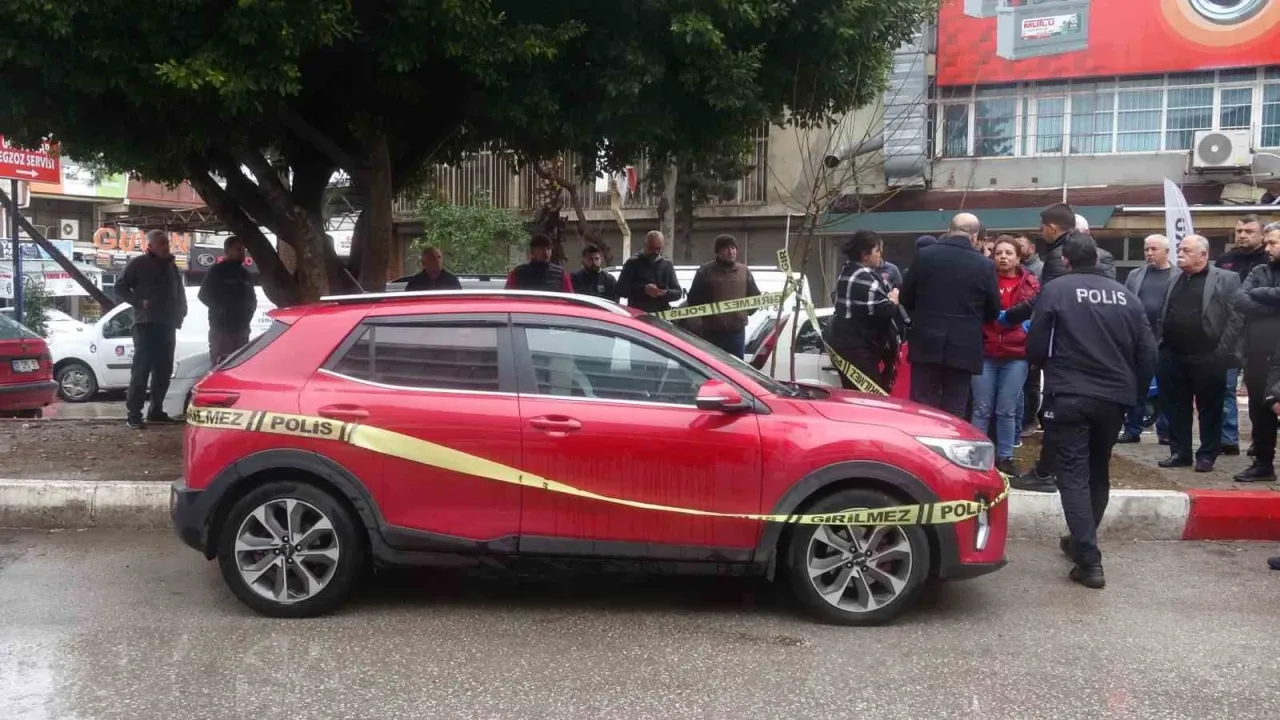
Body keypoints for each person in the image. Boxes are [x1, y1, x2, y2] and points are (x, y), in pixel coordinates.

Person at [1021, 233, 1156, 589]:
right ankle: (1082, 542)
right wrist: (1135, 394)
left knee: (1072, 475)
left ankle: (1089, 558)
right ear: (1096, 258)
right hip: (1113, 398)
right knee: (1097, 471)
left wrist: (1042, 367)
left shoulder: (1057, 290)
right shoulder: (1126, 296)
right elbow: (1148, 353)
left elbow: (1036, 344)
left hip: (1069, 394)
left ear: (1065, 260)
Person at [1002, 202, 1089, 492]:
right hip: (1082, 341)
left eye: (1042, 227)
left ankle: (1046, 473)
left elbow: (1047, 300)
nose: (1041, 232)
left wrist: (1013, 317)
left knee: (1056, 408)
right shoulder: (1088, 253)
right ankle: (1065, 467)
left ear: (1052, 227)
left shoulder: (1058, 256)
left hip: (1062, 342)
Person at [1155, 235, 1243, 473]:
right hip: (1173, 354)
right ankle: (1180, 452)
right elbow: (1165, 311)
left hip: (1208, 355)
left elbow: (1236, 318)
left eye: (1186, 250)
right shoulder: (1175, 277)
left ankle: (1207, 454)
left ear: (1203, 254)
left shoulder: (1226, 278)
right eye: (1179, 249)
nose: (1180, 253)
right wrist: (1160, 343)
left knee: (1210, 408)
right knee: (1175, 406)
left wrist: (1221, 353)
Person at [900, 213, 1001, 418]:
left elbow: (905, 297)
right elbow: (993, 310)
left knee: (922, 407)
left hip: (926, 342)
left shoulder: (925, 256)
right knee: (955, 409)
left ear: (949, 230)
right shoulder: (985, 265)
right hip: (964, 345)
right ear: (974, 236)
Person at [972, 237, 1040, 476]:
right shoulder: (983, 279)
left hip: (1016, 353)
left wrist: (1028, 328)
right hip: (985, 350)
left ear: (1018, 257)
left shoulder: (1031, 282)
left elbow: (1038, 311)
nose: (1003, 257)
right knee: (981, 408)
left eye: (1008, 253)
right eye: (999, 253)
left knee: (1006, 409)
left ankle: (1005, 456)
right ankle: (977, 456)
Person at [115, 230, 188, 429]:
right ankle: (134, 414)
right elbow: (119, 288)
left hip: (167, 324)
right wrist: (139, 302)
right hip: (145, 324)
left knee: (163, 371)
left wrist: (181, 312)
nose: (166, 247)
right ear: (150, 246)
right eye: (161, 243)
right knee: (142, 370)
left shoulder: (172, 266)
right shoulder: (138, 264)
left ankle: (156, 410)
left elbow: (179, 291)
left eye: (167, 243)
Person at [1229, 222, 1280, 483]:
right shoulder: (1259, 270)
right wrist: (1273, 304)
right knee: (1259, 413)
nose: (1267, 248)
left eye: (1273, 243)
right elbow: (1239, 299)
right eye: (1267, 242)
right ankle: (1262, 464)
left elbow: (1250, 296)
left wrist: (1259, 294)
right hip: (1257, 354)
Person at [1117, 234, 1177, 445]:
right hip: (1139, 340)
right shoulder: (1135, 275)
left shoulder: (1179, 275)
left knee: (1168, 389)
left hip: (1168, 340)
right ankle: (1132, 429)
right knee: (1137, 388)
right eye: (1146, 249)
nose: (1149, 253)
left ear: (1167, 252)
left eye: (1154, 249)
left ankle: (1166, 431)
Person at [1216, 215, 1268, 456]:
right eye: (1239, 231)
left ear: (1262, 235)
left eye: (1249, 231)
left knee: (1260, 392)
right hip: (1229, 333)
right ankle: (1228, 439)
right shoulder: (1225, 260)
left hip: (1259, 334)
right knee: (1225, 387)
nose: (1242, 235)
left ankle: (1261, 440)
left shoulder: (1268, 261)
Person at [826, 230, 902, 390]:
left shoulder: (848, 270)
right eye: (877, 250)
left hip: (849, 345)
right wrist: (893, 299)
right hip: (859, 350)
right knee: (868, 397)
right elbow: (885, 310)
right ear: (865, 255)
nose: (880, 255)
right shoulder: (862, 277)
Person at [684, 235, 761, 357]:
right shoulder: (705, 271)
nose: (731, 252)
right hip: (712, 332)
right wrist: (706, 316)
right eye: (726, 248)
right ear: (718, 251)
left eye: (733, 248)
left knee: (735, 366)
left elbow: (755, 296)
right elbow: (693, 299)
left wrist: (744, 313)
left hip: (736, 332)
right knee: (712, 364)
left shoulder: (744, 271)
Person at [197, 235, 257, 366]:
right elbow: (203, 295)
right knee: (221, 366)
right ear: (227, 251)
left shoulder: (245, 274)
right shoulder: (216, 271)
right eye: (238, 250)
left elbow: (252, 299)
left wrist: (248, 314)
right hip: (222, 330)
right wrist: (223, 310)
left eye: (243, 250)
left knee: (239, 367)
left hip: (242, 330)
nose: (242, 253)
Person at [617, 231, 682, 313]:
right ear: (645, 245)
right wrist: (644, 290)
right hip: (638, 313)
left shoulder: (667, 265)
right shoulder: (632, 263)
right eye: (652, 248)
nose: (656, 252)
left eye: (659, 249)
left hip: (661, 314)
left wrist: (665, 293)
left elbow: (678, 293)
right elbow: (620, 290)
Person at [505, 234, 574, 292]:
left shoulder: (561, 274)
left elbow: (569, 298)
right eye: (541, 248)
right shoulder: (517, 273)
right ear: (532, 251)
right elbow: (508, 298)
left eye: (548, 249)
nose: (546, 252)